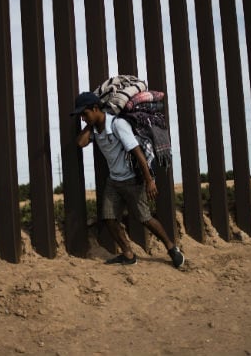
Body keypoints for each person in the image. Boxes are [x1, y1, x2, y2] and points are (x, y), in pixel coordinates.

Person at [72, 91, 185, 268]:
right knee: (108, 218)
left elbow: (137, 151)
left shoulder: (118, 125)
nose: (82, 118)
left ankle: (172, 248)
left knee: (145, 218)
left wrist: (149, 181)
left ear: (95, 108)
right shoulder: (95, 128)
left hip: (133, 180)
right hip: (114, 181)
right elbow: (80, 143)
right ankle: (128, 254)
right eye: (80, 116)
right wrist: (89, 123)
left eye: (84, 114)